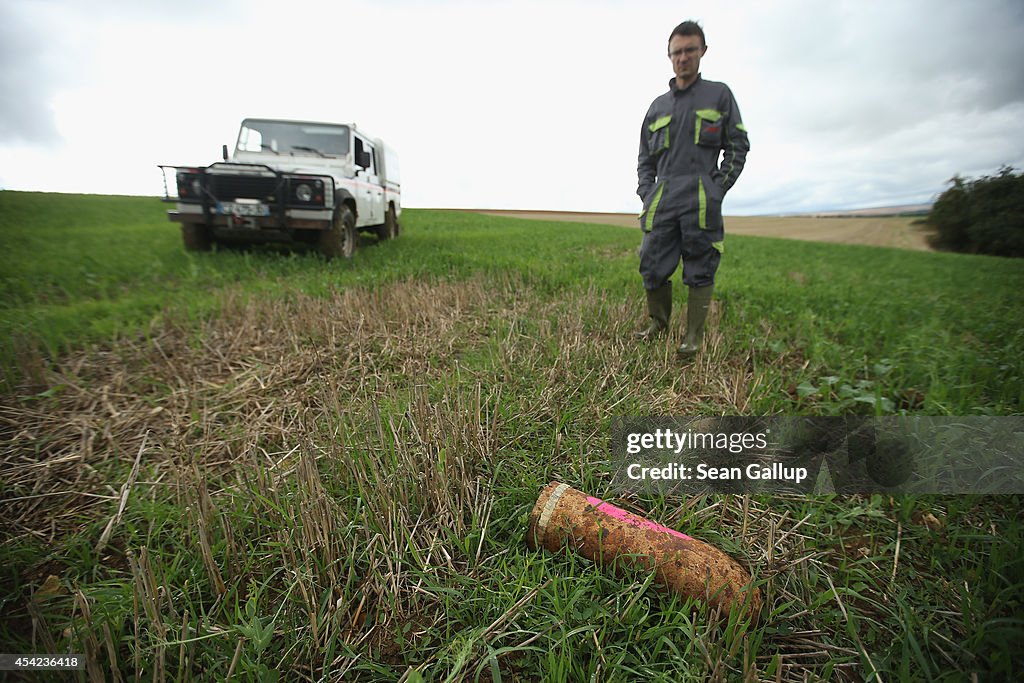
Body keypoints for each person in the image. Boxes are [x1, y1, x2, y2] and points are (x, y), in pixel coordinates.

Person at [636, 20, 750, 360]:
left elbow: (738, 145)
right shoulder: (657, 106)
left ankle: (693, 337)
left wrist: (718, 187)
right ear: (669, 56)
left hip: (701, 194)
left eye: (690, 50)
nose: (683, 57)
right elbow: (644, 157)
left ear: (702, 51)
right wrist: (647, 192)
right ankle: (659, 322)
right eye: (677, 52)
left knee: (700, 264)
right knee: (651, 261)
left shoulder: (719, 94)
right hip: (664, 194)